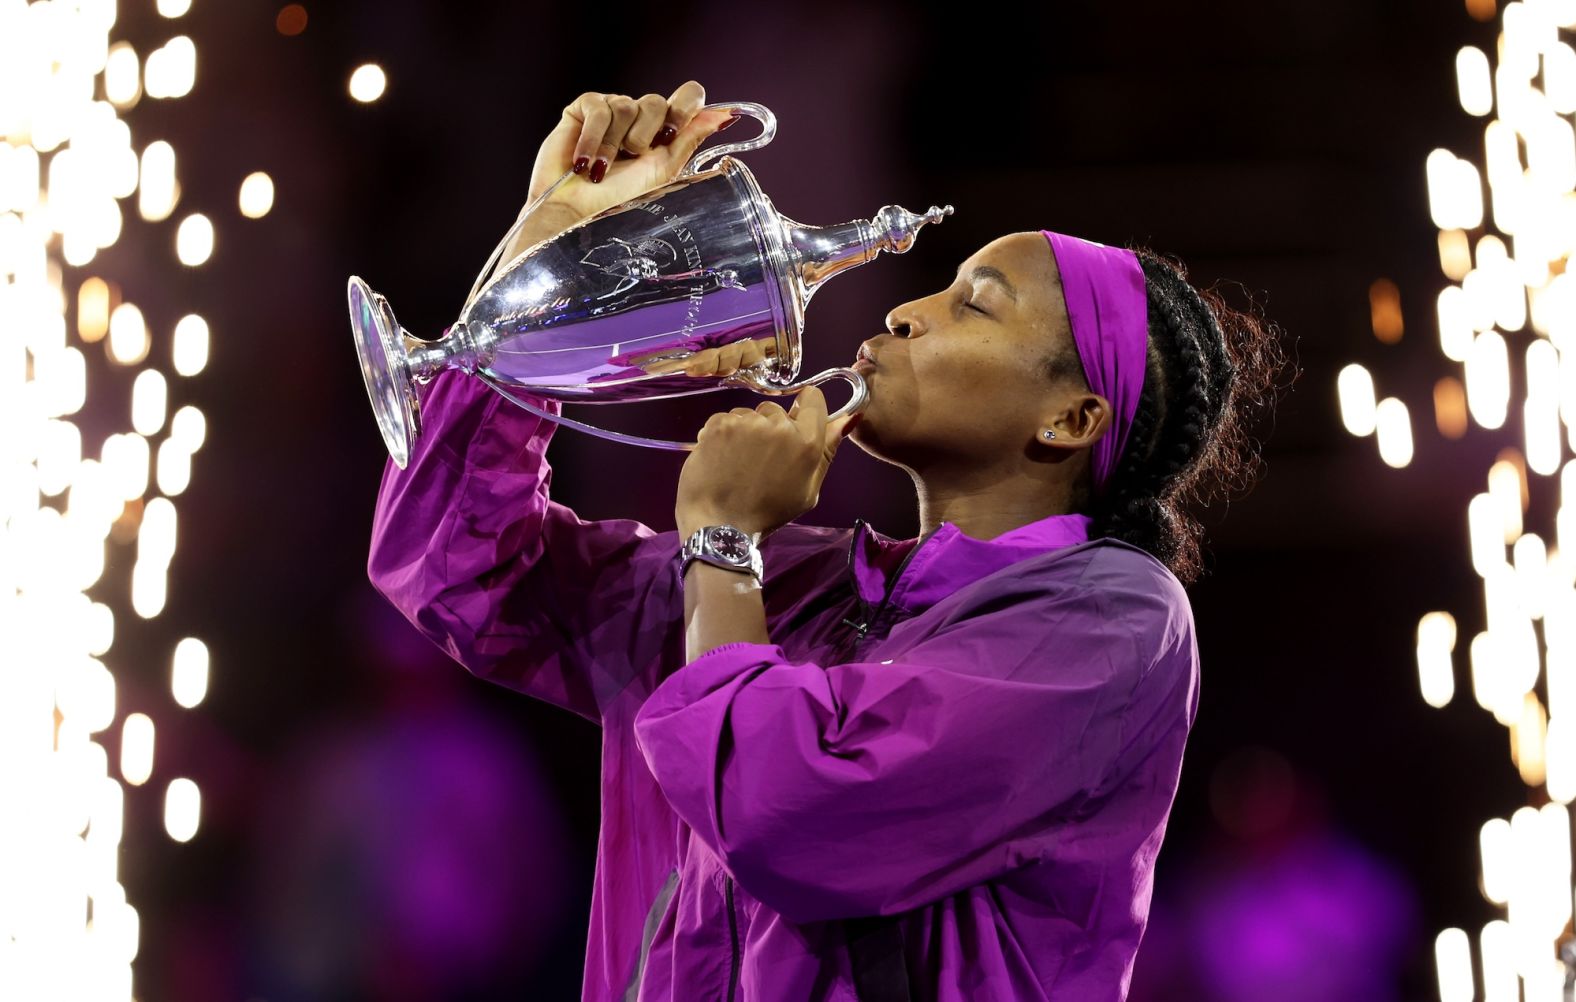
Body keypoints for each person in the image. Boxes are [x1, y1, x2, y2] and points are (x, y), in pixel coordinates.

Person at [367, 81, 1284, 1002]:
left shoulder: (1113, 619)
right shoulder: (808, 581)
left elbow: (789, 813)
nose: (905, 311)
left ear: (1070, 418)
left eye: (976, 305)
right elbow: (462, 569)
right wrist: (558, 235)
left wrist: (723, 544)